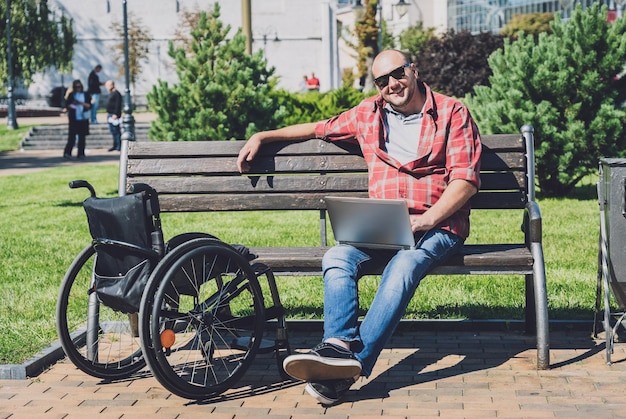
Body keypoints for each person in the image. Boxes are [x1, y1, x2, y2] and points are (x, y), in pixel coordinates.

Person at [237, 49, 482, 405]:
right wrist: (264, 136)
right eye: (382, 80)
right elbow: (317, 127)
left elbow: (465, 180)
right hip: (384, 227)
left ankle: (350, 366)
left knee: (404, 267)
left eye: (397, 74)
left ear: (413, 70)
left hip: (437, 226)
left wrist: (427, 219)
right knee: (338, 257)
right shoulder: (367, 114)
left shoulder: (451, 112)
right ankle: (337, 344)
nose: (391, 85)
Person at [63, 79, 91, 160]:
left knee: (82, 137)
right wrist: (73, 104)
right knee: (72, 137)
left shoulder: (85, 94)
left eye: (79, 87)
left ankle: (81, 153)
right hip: (74, 119)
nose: (78, 88)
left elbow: (89, 105)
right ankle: (67, 152)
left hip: (83, 118)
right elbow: (68, 106)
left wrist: (81, 103)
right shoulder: (72, 95)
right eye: (76, 87)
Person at [105, 80, 123, 151]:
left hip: (114, 115)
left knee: (116, 131)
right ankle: (115, 145)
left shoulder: (116, 93)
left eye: (107, 85)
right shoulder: (111, 93)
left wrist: (116, 113)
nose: (106, 87)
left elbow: (118, 104)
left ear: (112, 85)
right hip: (110, 114)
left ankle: (118, 145)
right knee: (113, 131)